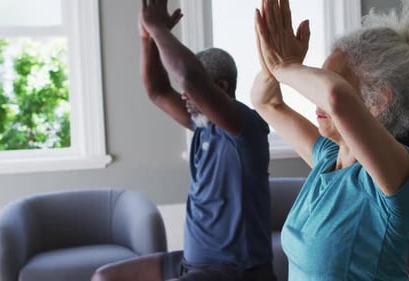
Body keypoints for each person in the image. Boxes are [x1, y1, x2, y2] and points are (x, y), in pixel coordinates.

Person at [252, 0, 409, 280]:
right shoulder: (328, 157)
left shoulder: (401, 173)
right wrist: (272, 68)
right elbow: (266, 102)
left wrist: (286, 67)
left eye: (327, 79)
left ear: (377, 101)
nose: (315, 94)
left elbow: (335, 97)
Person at [91, 0, 276, 280]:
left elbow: (188, 78)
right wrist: (147, 36)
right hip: (193, 263)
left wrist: (158, 28)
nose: (185, 97)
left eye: (192, 94)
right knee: (106, 277)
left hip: (232, 271)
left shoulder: (244, 128)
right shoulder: (203, 125)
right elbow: (157, 90)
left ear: (221, 88)